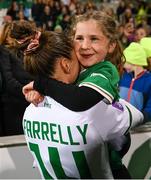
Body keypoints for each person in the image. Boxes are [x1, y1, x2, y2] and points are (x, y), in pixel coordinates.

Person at [11, 13, 143, 178]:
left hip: (111, 157)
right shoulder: (73, 71)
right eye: (79, 38)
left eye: (94, 38)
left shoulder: (105, 70)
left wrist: (42, 85)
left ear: (111, 46)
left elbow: (80, 99)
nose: (84, 45)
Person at [0, 22, 33, 136]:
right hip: (13, 104)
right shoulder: (4, 51)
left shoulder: (25, 51)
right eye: (10, 34)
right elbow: (8, 80)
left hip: (28, 102)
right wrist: (28, 92)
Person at [119, 42, 151, 122]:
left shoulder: (148, 80)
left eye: (124, 62)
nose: (122, 65)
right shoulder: (123, 76)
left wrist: (142, 118)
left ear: (133, 62)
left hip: (138, 125)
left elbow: (150, 106)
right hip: (120, 121)